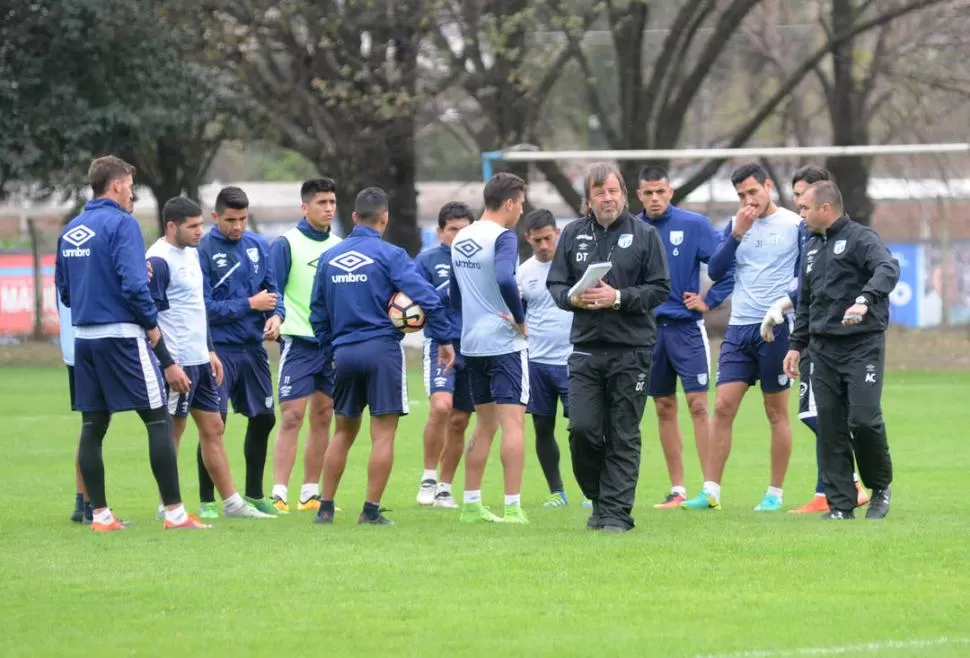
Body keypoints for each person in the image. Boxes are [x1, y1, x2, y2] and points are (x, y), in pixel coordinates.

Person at [54, 155, 208, 531]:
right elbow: (136, 287)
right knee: (158, 419)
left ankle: (101, 515)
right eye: (130, 187)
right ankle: (174, 513)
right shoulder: (122, 224)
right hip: (122, 337)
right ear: (118, 185)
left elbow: (65, 291)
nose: (131, 194)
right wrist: (154, 334)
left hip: (84, 338)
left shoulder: (72, 228)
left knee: (93, 425)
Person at [309, 187, 455, 526]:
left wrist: (332, 348)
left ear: (355, 217)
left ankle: (325, 509)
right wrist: (444, 338)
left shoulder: (330, 257)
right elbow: (428, 298)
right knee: (383, 434)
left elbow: (317, 311)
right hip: (382, 352)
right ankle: (370, 511)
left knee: (342, 432)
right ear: (384, 218)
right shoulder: (391, 255)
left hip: (344, 352)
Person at [547, 163, 670, 532]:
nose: (608, 198)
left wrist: (618, 297)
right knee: (582, 430)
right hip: (585, 350)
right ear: (588, 199)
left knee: (622, 433)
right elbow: (555, 285)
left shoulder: (645, 235)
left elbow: (660, 289)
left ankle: (616, 514)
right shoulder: (572, 235)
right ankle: (600, 498)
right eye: (599, 193)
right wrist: (573, 299)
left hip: (631, 349)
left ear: (624, 194)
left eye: (613, 191)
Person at [682, 162, 801, 512]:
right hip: (739, 327)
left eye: (753, 191)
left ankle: (774, 494)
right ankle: (711, 491)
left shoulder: (794, 225)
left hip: (775, 327)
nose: (748, 200)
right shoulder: (735, 226)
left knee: (775, 412)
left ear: (767, 186)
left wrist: (786, 308)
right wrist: (737, 233)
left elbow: (803, 277)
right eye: (741, 195)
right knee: (722, 406)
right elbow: (717, 272)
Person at [147, 197, 274, 519]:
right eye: (192, 227)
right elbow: (149, 318)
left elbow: (197, 308)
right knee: (173, 432)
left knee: (214, 427)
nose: (199, 232)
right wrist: (167, 363)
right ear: (171, 226)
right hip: (176, 360)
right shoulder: (158, 260)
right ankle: (168, 506)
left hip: (201, 357)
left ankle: (232, 504)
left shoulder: (191, 254)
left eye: (201, 225)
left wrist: (210, 351)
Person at [785, 181, 899, 520]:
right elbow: (806, 301)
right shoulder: (810, 246)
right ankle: (840, 505)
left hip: (862, 346)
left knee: (863, 420)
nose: (800, 214)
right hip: (821, 350)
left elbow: (888, 269)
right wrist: (796, 345)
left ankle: (880, 488)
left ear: (825, 208)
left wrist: (864, 300)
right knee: (831, 425)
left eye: (804, 207)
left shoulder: (861, 238)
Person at [760, 165, 869, 514]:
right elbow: (807, 288)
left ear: (823, 198)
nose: (798, 205)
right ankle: (828, 491)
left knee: (818, 414)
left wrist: (783, 305)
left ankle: (849, 482)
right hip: (810, 336)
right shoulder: (809, 235)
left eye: (803, 197)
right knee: (817, 413)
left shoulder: (846, 237)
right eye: (795, 198)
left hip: (835, 342)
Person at [636, 165, 734, 508]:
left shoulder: (694, 226)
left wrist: (710, 300)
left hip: (686, 329)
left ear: (670, 192)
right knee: (663, 406)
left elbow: (727, 267)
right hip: (648, 333)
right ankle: (677, 490)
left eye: (660, 191)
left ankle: (709, 490)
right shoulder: (632, 229)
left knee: (698, 405)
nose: (654, 198)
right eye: (648, 193)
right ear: (639, 196)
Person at [449, 172, 531, 525]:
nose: (521, 211)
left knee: (483, 425)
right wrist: (521, 319)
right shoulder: (504, 238)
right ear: (510, 202)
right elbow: (503, 278)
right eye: (521, 204)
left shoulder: (461, 236)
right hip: (503, 341)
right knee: (513, 424)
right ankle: (512, 507)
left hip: (472, 344)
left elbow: (454, 292)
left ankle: (471, 503)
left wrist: (457, 332)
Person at [197, 186, 283, 517]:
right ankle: (207, 501)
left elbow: (273, 292)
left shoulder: (259, 245)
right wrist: (250, 304)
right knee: (212, 424)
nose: (237, 227)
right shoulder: (202, 249)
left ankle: (256, 494)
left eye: (243, 219)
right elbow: (204, 307)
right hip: (219, 349)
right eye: (230, 220)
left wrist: (276, 316)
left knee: (264, 418)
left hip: (253, 348)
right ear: (215, 216)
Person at [268, 178, 342, 513]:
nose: (328, 208)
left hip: (332, 345)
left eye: (332, 202)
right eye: (321, 202)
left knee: (324, 415)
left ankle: (310, 494)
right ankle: (279, 492)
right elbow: (274, 289)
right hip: (298, 342)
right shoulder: (286, 244)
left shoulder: (340, 247)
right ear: (305, 207)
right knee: (292, 417)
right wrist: (276, 318)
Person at [414, 202, 475, 509]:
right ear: (440, 231)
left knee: (460, 420)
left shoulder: (480, 261)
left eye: (465, 229)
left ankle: (445, 487)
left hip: (474, 347)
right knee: (441, 407)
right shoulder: (426, 261)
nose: (459, 235)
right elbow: (415, 304)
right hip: (440, 343)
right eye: (453, 229)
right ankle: (427, 476)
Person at [516, 208, 576, 508]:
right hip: (536, 362)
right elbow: (516, 315)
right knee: (542, 427)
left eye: (548, 239)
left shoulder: (573, 266)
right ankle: (557, 492)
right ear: (528, 239)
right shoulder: (523, 273)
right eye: (537, 240)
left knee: (582, 428)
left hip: (572, 359)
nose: (543, 246)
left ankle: (592, 492)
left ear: (558, 234)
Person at [61, 299, 93, 525]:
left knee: (90, 424)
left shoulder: (63, 262)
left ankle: (82, 501)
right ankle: (92, 506)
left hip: (74, 347)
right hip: (89, 343)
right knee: (94, 424)